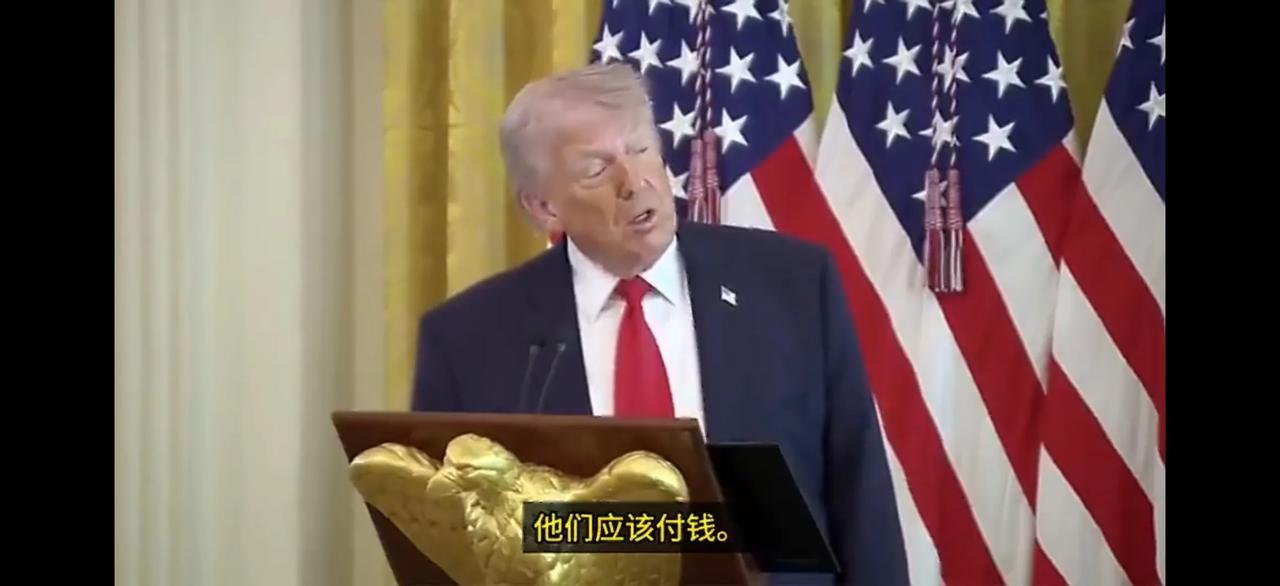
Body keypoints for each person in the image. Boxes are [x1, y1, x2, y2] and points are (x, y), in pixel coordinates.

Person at [410, 63, 908, 585]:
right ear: (544, 207)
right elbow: (450, 545)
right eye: (596, 169)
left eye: (641, 148)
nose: (635, 182)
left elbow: (860, 493)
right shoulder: (467, 341)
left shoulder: (792, 285)